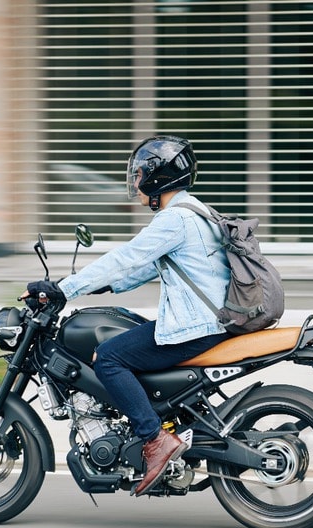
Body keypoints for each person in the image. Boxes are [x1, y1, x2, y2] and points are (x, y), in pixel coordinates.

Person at [22, 135, 230, 496]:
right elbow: (146, 269)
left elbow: (126, 257)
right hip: (210, 321)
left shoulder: (175, 219)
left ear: (156, 177)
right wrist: (102, 287)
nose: (135, 183)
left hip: (196, 326)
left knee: (109, 357)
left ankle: (155, 439)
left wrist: (63, 289)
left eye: (139, 174)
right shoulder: (197, 212)